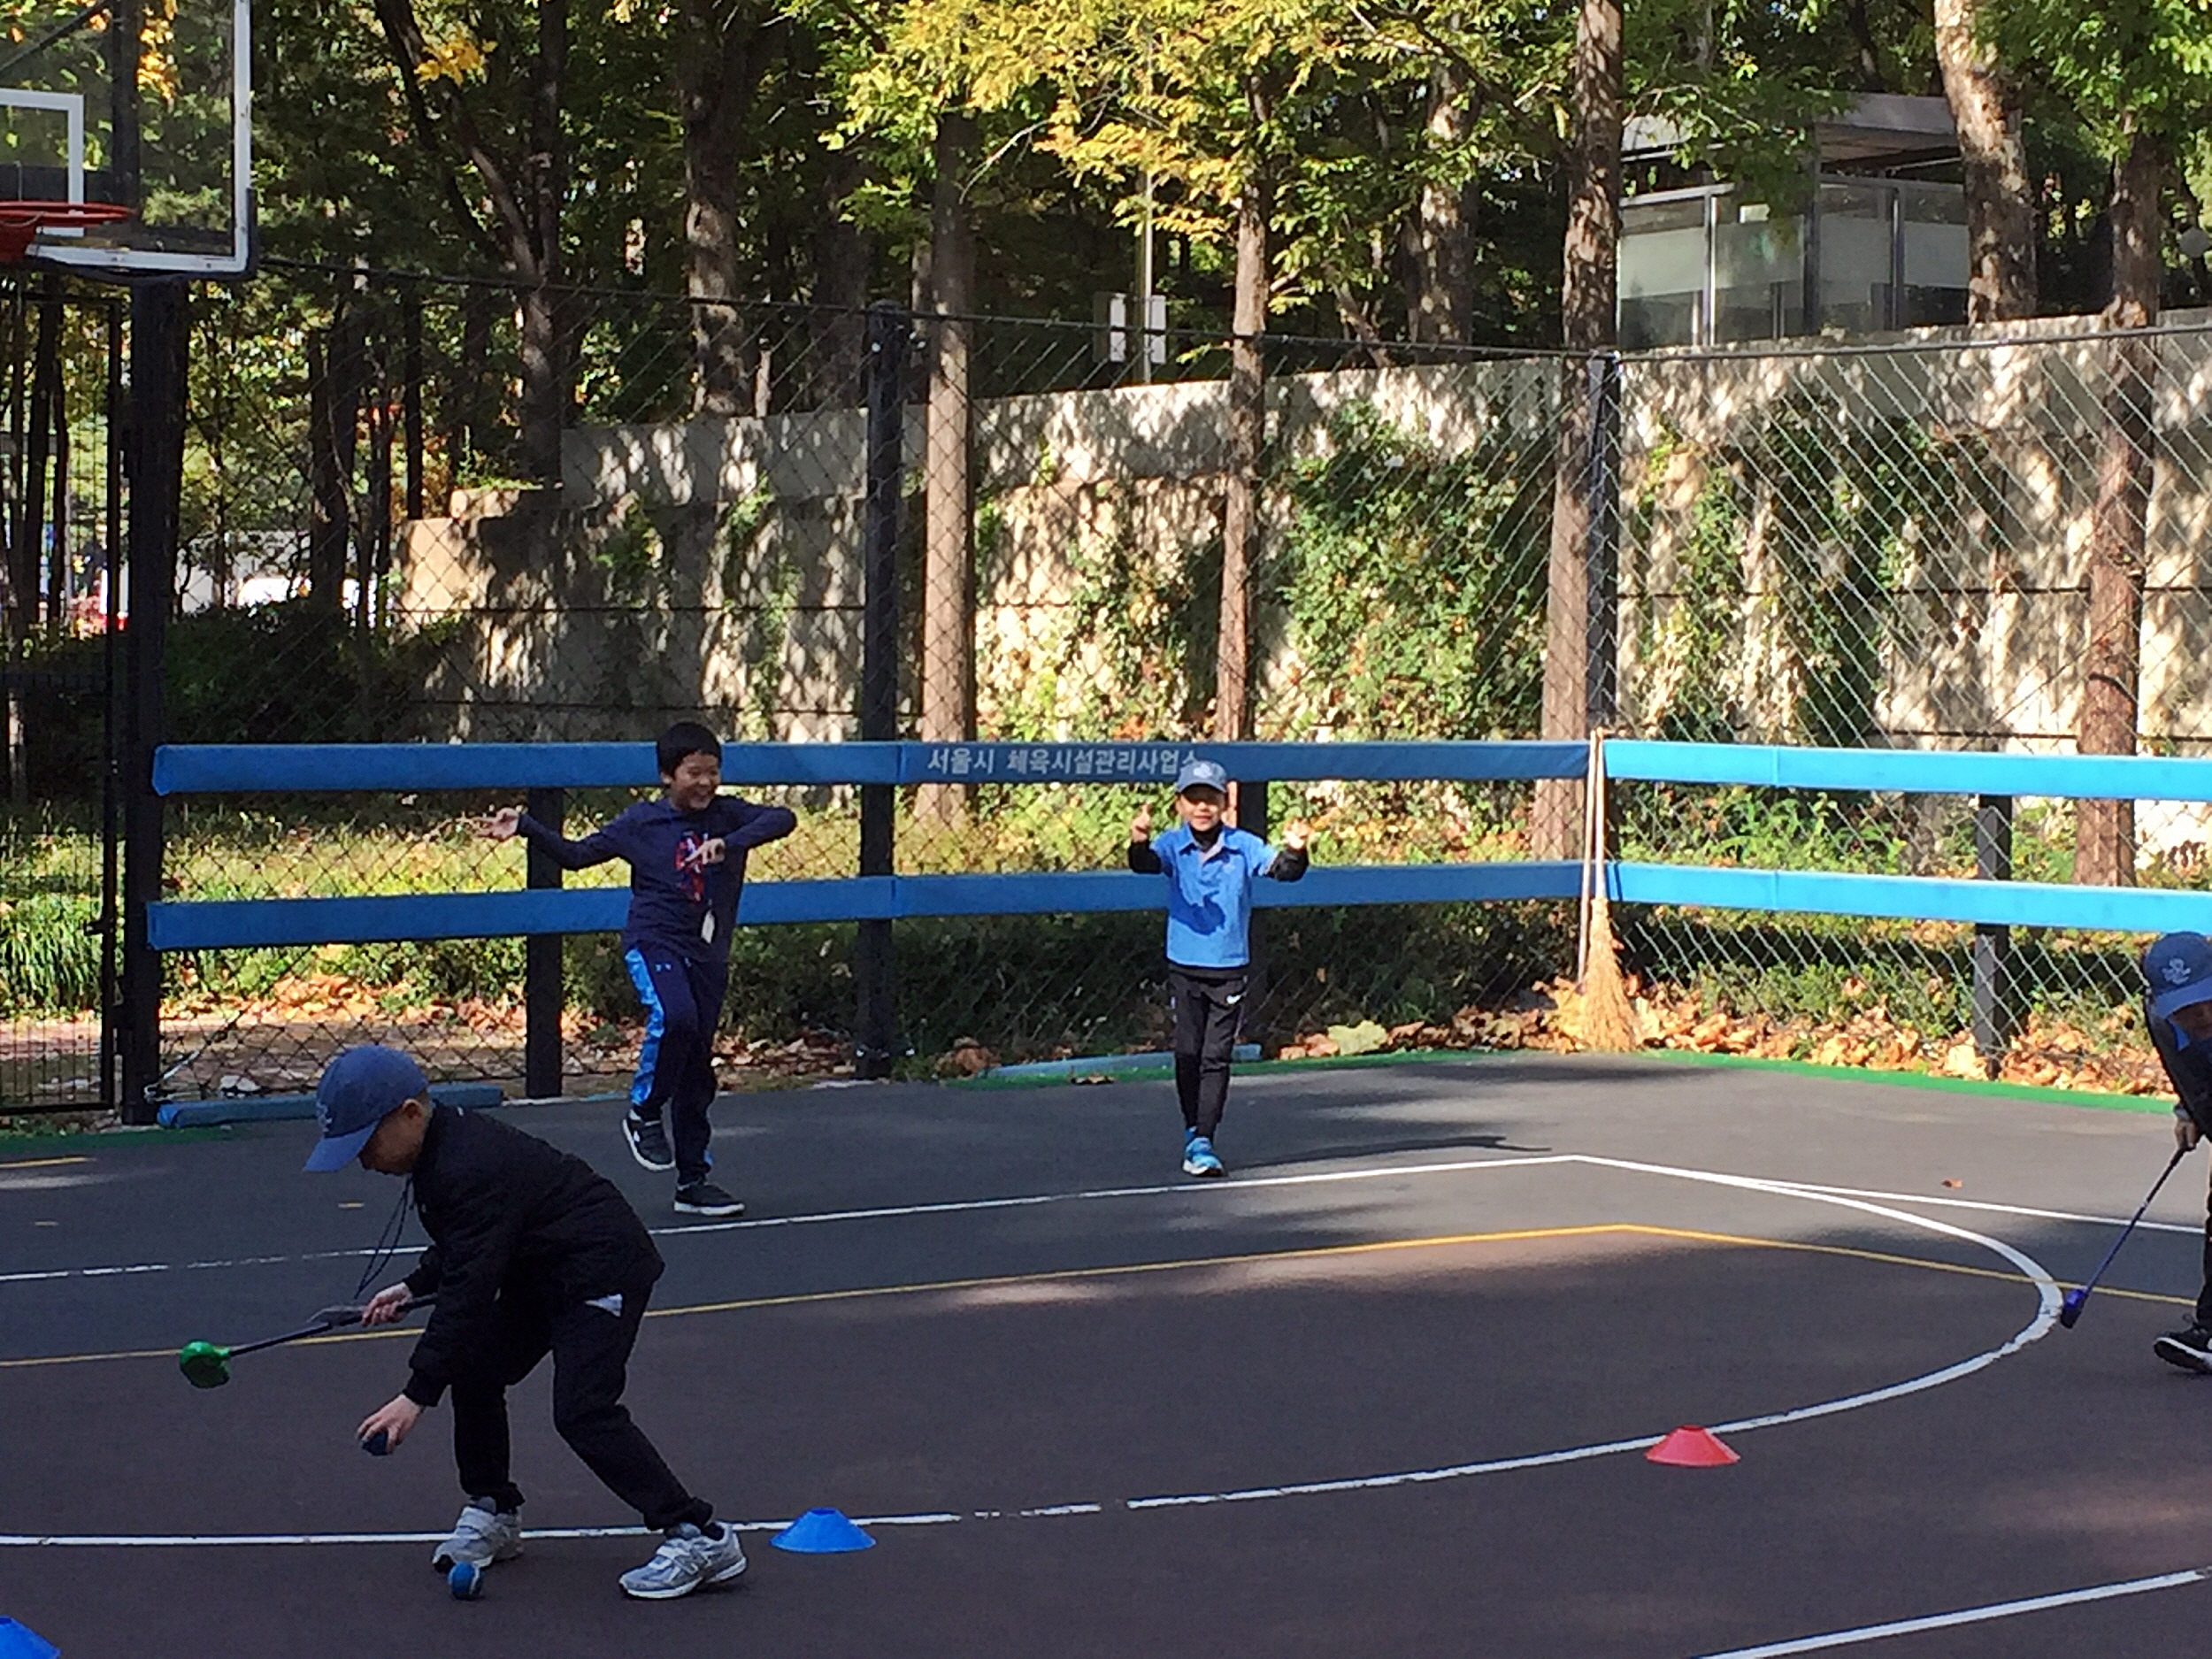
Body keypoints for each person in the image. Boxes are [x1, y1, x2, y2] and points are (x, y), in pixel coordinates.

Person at [306, 1044, 746, 1601]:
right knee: (475, 1368)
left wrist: (415, 1396)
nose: (364, 1162)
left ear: (410, 1115)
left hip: (599, 1270)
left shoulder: (467, 1163)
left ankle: (699, 1535)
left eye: (366, 1144)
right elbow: (470, 1243)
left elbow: (468, 1293)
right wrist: (414, 1285)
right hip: (542, 1274)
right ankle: (495, 1509)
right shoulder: (442, 1154)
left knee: (584, 1411)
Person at [488, 721, 795, 1217]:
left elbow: (783, 818)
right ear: (667, 776)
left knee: (696, 1069)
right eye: (693, 773)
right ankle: (644, 1110)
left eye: (713, 772)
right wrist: (526, 826)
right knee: (675, 1016)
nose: (705, 782)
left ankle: (693, 1182)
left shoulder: (729, 815)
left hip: (708, 953)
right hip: (654, 942)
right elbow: (577, 856)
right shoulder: (641, 823)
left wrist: (729, 844)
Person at [1126, 757, 1310, 1179]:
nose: (1202, 807)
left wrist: (1297, 851)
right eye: (1193, 799)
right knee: (1187, 1052)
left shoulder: (1243, 845)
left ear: (1225, 803)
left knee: (1215, 1055)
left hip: (1229, 967)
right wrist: (1138, 840)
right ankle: (1193, 1128)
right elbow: (1144, 863)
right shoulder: (1172, 845)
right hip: (1184, 964)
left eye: (1211, 799)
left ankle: (1203, 1140)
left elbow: (1283, 871)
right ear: (1179, 804)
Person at [2140, 933, 2212, 1372]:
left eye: (2207, 998)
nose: (2199, 1014)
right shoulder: (2163, 1020)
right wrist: (2190, 1109)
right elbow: (2186, 1067)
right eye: (2185, 1007)